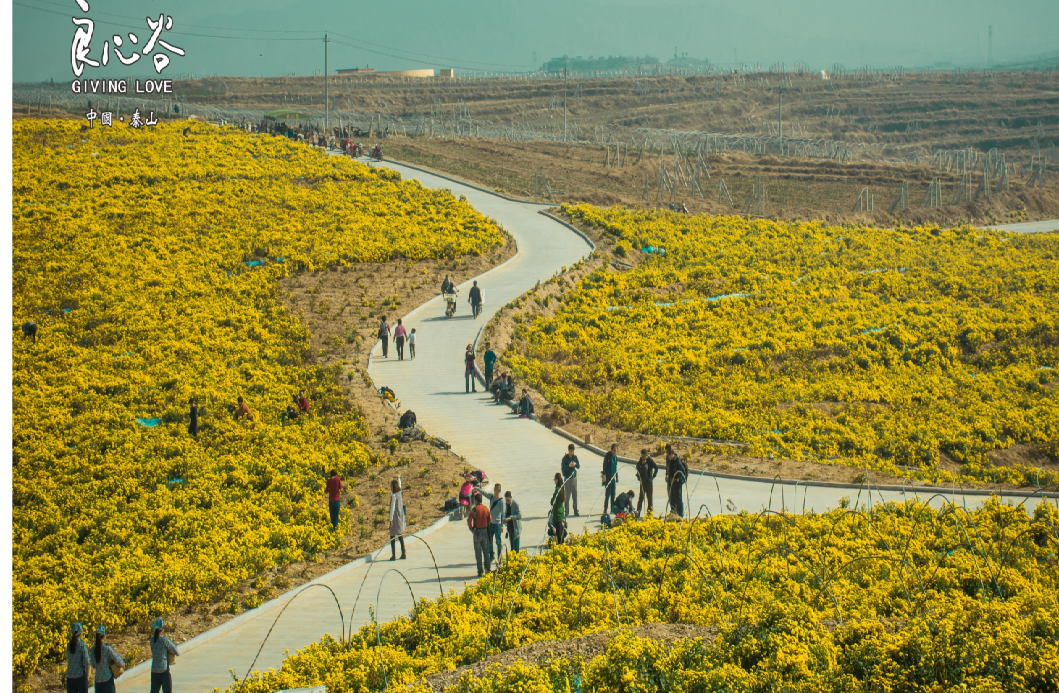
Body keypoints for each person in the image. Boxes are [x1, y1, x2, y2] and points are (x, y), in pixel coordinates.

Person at [90, 625, 124, 693]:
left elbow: (93, 665)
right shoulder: (107, 649)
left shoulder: (93, 650)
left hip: (98, 681)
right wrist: (122, 664)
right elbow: (118, 660)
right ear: (104, 636)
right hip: (108, 681)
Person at [149, 617, 179, 693]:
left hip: (154, 670)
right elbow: (176, 651)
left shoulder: (152, 640)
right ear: (162, 629)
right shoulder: (164, 640)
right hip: (163, 670)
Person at [467, 491, 492, 576]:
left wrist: (471, 528)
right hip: (485, 532)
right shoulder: (485, 509)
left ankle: (480, 571)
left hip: (477, 532)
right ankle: (488, 569)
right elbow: (490, 519)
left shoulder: (474, 509)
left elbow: (469, 520)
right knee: (486, 552)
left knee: (478, 553)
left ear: (476, 501)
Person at [482, 483, 505, 564]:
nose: (493, 490)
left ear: (498, 490)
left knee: (498, 542)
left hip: (498, 524)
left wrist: (502, 525)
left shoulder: (501, 501)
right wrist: (478, 489)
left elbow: (503, 514)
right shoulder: (491, 497)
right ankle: (491, 555)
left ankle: (499, 558)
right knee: (490, 541)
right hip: (490, 523)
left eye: (495, 489)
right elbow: (485, 494)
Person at [665, 444, 688, 518]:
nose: (668, 457)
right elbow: (668, 468)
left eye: (669, 455)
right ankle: (673, 512)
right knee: (672, 497)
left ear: (672, 454)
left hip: (677, 482)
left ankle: (680, 514)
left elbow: (682, 470)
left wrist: (678, 477)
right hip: (671, 481)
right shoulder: (670, 460)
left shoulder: (677, 460)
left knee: (678, 498)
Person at [65, 622, 90, 693]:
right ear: (80, 632)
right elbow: (86, 662)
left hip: (70, 676)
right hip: (80, 676)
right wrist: (88, 673)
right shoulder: (82, 645)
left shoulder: (69, 645)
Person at [636, 449, 658, 515]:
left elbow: (656, 468)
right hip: (642, 481)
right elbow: (637, 467)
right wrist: (641, 464)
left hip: (648, 481)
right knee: (641, 497)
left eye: (644, 456)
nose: (643, 458)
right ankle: (638, 511)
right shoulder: (640, 461)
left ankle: (649, 512)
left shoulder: (650, 461)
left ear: (647, 455)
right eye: (642, 456)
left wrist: (652, 477)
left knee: (649, 497)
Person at [561, 444, 580, 517]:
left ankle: (575, 510)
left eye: (573, 451)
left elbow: (578, 466)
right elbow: (563, 467)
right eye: (570, 451)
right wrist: (568, 466)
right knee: (567, 496)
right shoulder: (565, 459)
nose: (571, 453)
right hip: (567, 478)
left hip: (574, 478)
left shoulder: (575, 458)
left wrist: (575, 464)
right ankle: (566, 511)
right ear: (568, 450)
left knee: (574, 495)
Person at [389, 479, 406, 560]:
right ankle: (403, 553)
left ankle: (393, 555)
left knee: (392, 536)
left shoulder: (394, 496)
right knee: (400, 535)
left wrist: (390, 520)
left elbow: (392, 508)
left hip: (395, 518)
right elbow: (401, 486)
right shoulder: (400, 494)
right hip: (400, 517)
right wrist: (399, 478)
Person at [549, 473, 567, 545]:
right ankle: (562, 544)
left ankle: (560, 545)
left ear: (556, 480)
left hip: (557, 513)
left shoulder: (557, 489)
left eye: (554, 479)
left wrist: (552, 501)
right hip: (561, 511)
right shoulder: (562, 488)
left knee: (558, 533)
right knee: (561, 530)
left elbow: (552, 501)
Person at [602, 443, 619, 514]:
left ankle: (612, 508)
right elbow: (604, 465)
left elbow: (615, 467)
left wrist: (617, 476)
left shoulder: (615, 457)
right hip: (608, 477)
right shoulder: (608, 456)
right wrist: (604, 475)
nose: (615, 452)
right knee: (608, 494)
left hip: (613, 477)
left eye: (616, 451)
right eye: (614, 450)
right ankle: (605, 508)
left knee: (613, 493)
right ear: (611, 450)